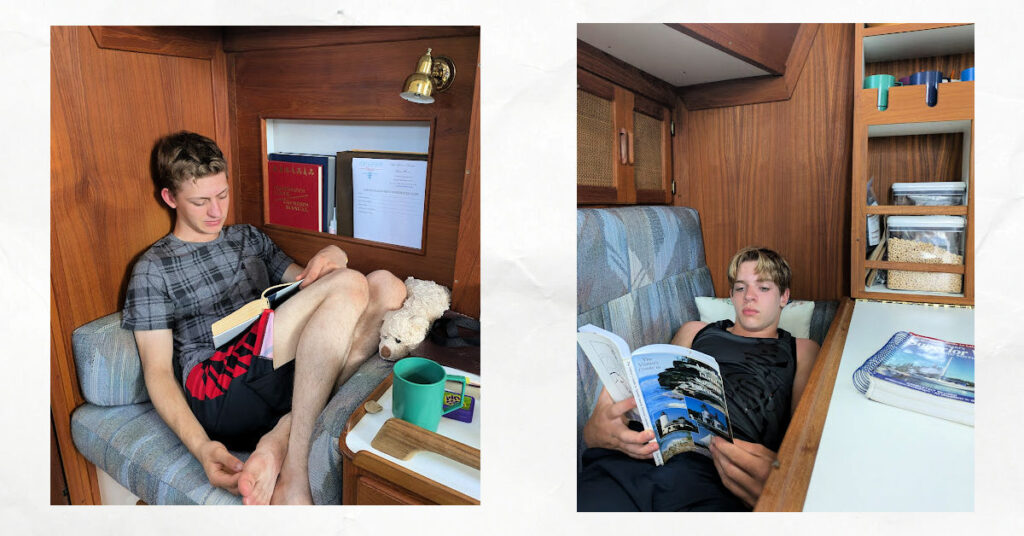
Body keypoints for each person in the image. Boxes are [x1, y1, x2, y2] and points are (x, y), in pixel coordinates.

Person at [122, 131, 407, 505]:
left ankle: (278, 438)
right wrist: (202, 448)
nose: (216, 212)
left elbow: (313, 288)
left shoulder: (246, 238)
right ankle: (296, 474)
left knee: (386, 286)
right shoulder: (153, 267)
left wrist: (336, 254)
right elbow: (157, 372)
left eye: (222, 195)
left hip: (272, 365)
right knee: (351, 284)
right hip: (216, 387)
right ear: (170, 198)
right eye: (200, 201)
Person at [578, 247, 820, 511]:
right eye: (740, 288)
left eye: (763, 288)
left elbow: (804, 434)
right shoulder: (695, 330)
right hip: (647, 453)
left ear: (784, 297)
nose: (749, 297)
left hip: (722, 473)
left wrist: (785, 476)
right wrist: (601, 429)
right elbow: (653, 389)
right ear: (731, 295)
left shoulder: (802, 348)